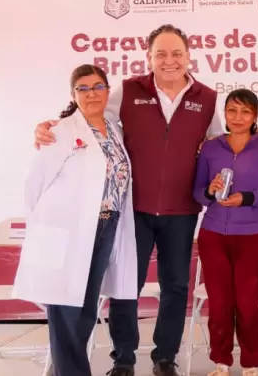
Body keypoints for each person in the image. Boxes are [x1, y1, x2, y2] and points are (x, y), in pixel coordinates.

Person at [33, 24, 224, 376]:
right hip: (133, 209)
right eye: (160, 54)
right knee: (125, 286)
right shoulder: (128, 90)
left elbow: (216, 144)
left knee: (175, 286)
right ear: (148, 57)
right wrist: (51, 127)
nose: (169, 60)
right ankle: (123, 360)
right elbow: (89, 120)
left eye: (176, 53)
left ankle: (165, 358)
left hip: (182, 209)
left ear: (188, 56)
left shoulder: (208, 98)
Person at [13, 64, 138, 376]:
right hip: (68, 232)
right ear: (73, 94)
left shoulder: (115, 129)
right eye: (83, 88)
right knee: (66, 308)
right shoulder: (62, 131)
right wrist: (44, 231)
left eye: (97, 87)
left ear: (107, 91)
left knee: (84, 309)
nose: (91, 94)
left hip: (106, 227)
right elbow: (34, 184)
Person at [193, 89, 258, 376]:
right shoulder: (211, 148)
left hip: (254, 235)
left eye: (245, 111)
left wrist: (247, 198)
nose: (238, 117)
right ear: (224, 113)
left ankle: (251, 363)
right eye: (232, 110)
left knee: (246, 302)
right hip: (213, 234)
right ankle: (221, 363)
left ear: (255, 116)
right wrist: (210, 191)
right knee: (219, 303)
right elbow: (197, 192)